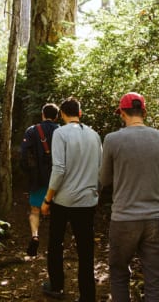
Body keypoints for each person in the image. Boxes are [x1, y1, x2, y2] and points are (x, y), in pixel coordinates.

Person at [99, 92, 159, 302]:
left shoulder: (112, 139)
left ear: (122, 113)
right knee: (154, 281)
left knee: (118, 274)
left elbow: (104, 179)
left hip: (124, 218)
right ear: (144, 112)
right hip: (158, 219)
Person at [40, 97, 102, 302]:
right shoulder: (94, 135)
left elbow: (58, 169)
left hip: (63, 200)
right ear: (80, 113)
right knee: (86, 250)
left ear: (62, 115)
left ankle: (56, 286)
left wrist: (47, 200)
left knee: (56, 244)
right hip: (87, 201)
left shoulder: (60, 133)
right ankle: (87, 295)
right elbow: (100, 169)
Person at [20, 103, 60, 257]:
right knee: (56, 211)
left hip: (37, 177)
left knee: (35, 210)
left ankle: (35, 236)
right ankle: (54, 242)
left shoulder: (32, 130)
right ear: (56, 116)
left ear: (43, 114)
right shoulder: (61, 131)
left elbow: (24, 154)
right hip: (57, 178)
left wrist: (29, 173)